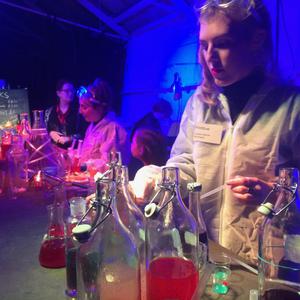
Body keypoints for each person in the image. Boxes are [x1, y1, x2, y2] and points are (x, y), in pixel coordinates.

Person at [131, 0, 300, 262]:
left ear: (256, 40)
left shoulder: (291, 107)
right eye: (204, 44)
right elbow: (186, 165)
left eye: (222, 43)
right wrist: (154, 178)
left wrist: (280, 195)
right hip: (205, 251)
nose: (209, 55)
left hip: (267, 262)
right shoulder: (200, 103)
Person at [79, 78, 130, 173]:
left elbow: (110, 166)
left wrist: (84, 166)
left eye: (84, 107)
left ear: (99, 108)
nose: (80, 111)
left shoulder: (113, 129)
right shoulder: (92, 126)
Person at [45, 79, 87, 149]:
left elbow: (85, 133)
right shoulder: (49, 112)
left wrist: (69, 138)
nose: (70, 93)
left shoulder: (79, 111)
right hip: (54, 152)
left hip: (74, 151)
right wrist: (50, 134)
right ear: (58, 93)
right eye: (67, 91)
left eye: (72, 90)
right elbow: (44, 132)